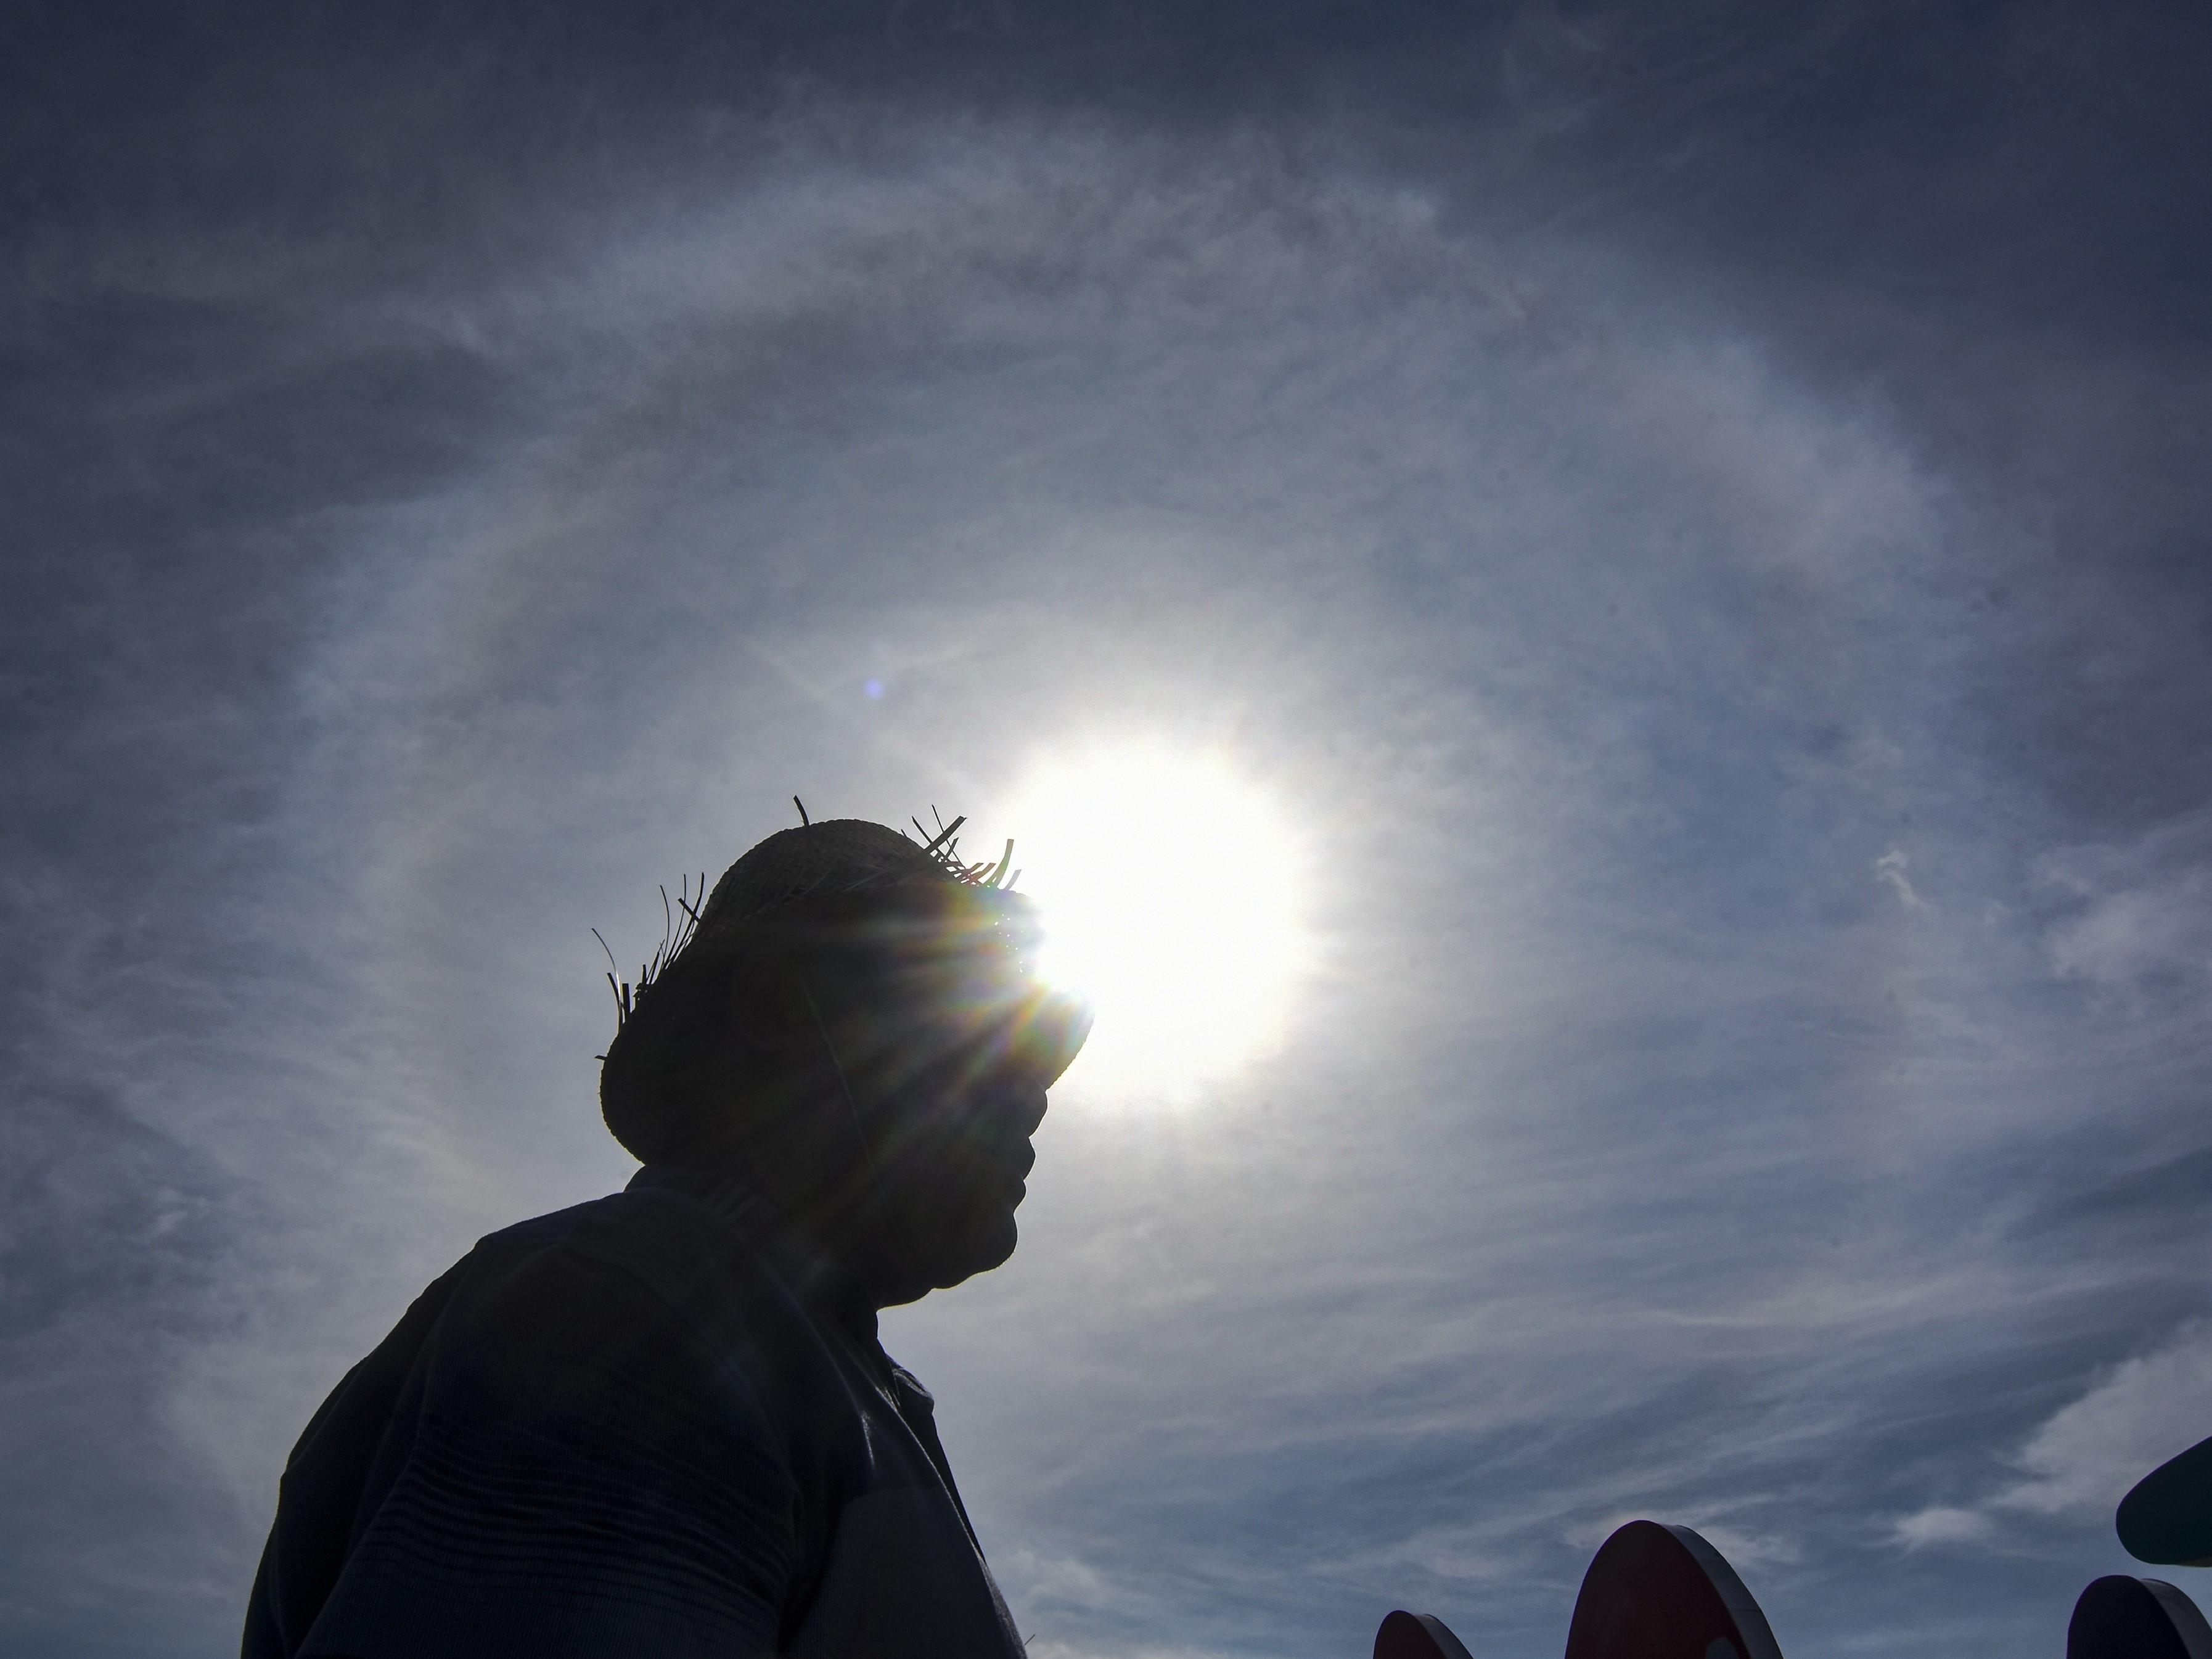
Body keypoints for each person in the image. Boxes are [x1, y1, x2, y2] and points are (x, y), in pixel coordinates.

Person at [241, 814, 1092, 1658]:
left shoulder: (807, 1365)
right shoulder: (636, 1309)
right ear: (779, 1014)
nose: (1030, 1094)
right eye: (974, 1025)